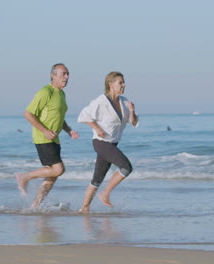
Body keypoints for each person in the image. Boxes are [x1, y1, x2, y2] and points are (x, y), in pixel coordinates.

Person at [16, 63, 79, 207]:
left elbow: (59, 117)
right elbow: (28, 114)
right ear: (53, 75)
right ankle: (24, 177)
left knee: (53, 174)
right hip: (43, 138)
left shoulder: (61, 93)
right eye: (63, 74)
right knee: (58, 169)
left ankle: (36, 205)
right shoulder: (45, 92)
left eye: (68, 74)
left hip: (54, 139)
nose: (67, 77)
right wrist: (45, 131)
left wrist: (69, 130)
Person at [77, 72, 139, 213]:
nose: (124, 85)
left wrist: (132, 111)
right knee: (126, 168)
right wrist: (97, 128)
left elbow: (134, 122)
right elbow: (83, 116)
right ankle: (105, 193)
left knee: (97, 179)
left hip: (112, 143)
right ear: (111, 84)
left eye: (124, 82)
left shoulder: (124, 101)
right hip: (101, 142)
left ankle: (84, 208)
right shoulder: (101, 101)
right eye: (120, 82)